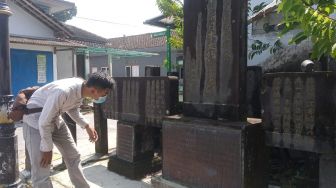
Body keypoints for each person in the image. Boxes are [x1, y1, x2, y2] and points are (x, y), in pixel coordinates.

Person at [22, 72, 115, 188]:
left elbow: (72, 109)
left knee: (73, 155)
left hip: (54, 119)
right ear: (94, 90)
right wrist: (47, 149)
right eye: (105, 93)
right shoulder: (63, 92)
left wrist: (86, 126)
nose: (105, 96)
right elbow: (43, 122)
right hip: (35, 122)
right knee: (42, 167)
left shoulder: (82, 88)